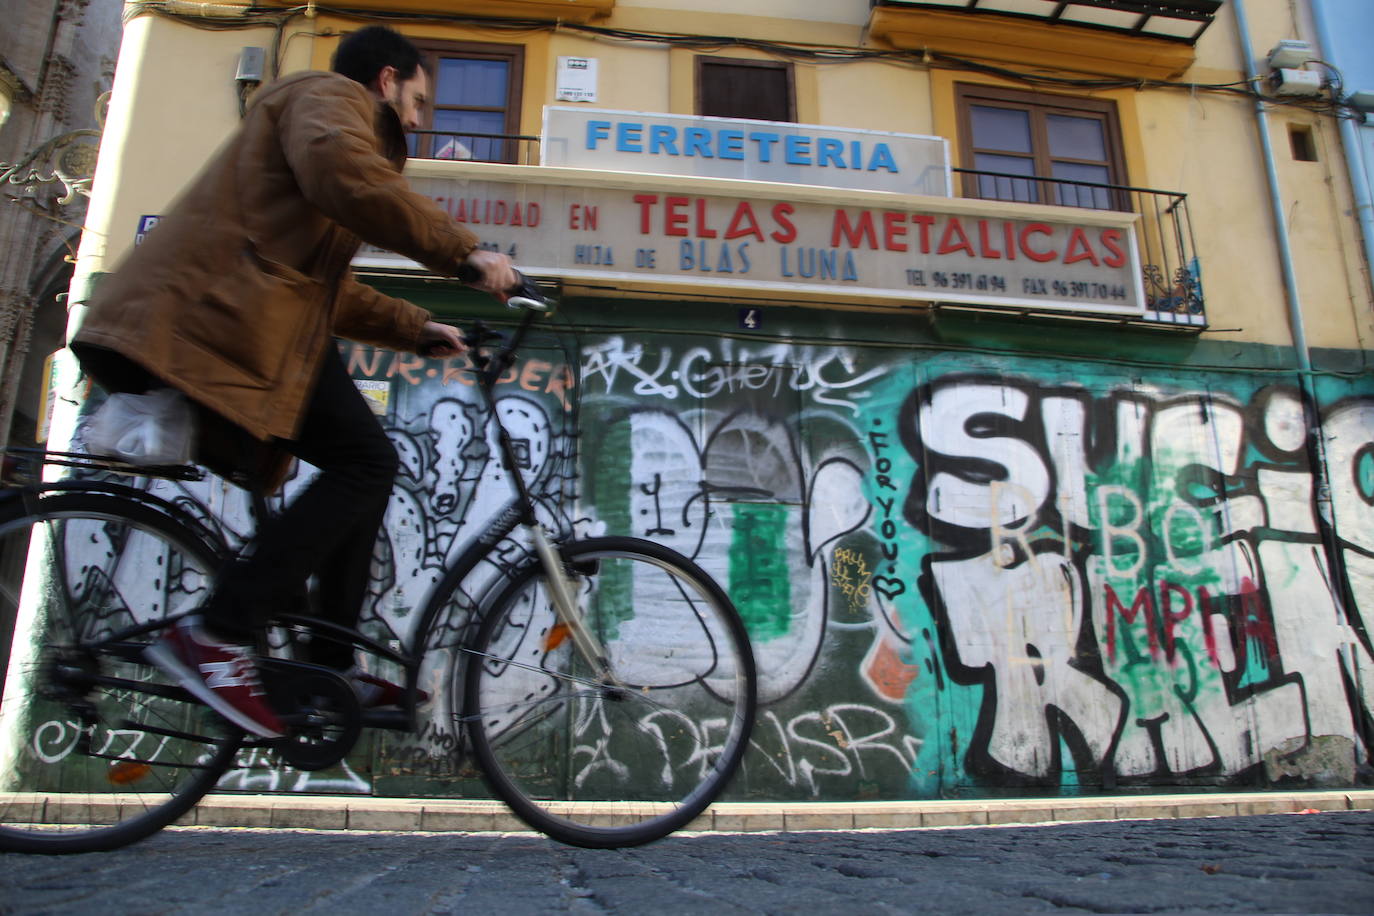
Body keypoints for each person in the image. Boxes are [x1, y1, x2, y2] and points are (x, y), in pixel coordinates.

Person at [69, 26, 517, 738]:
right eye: (420, 101)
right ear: (386, 78)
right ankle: (219, 633)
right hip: (216, 316)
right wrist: (464, 252)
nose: (421, 121)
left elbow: (320, 290)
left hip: (245, 317)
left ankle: (325, 666)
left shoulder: (330, 134)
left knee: (364, 463)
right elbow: (342, 173)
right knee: (366, 463)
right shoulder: (326, 98)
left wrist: (414, 328)